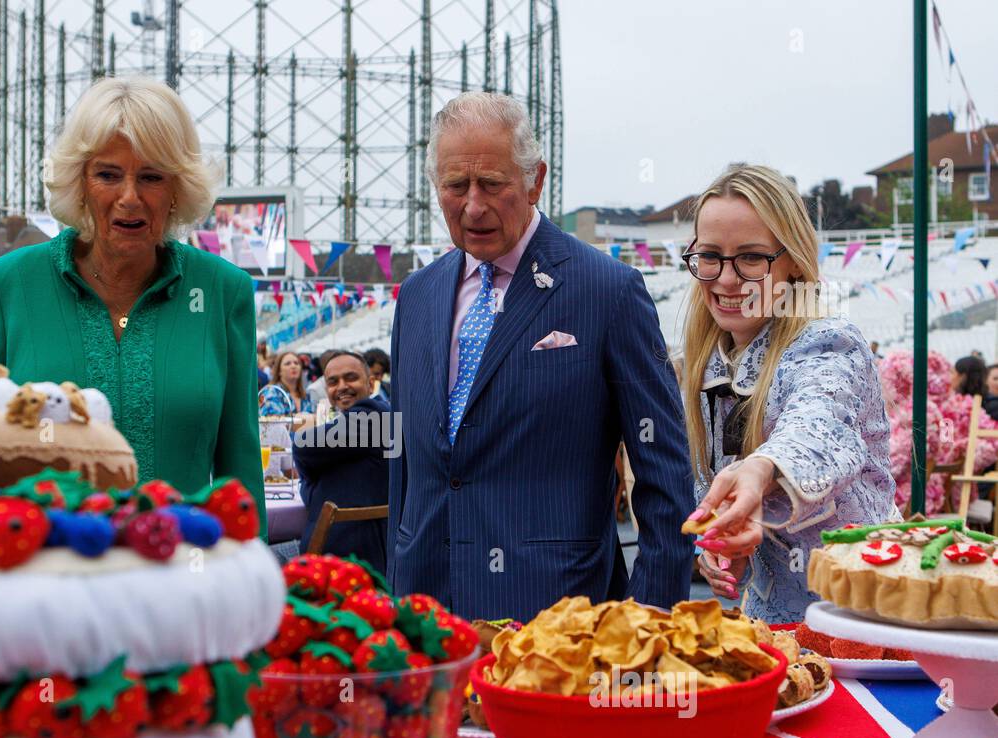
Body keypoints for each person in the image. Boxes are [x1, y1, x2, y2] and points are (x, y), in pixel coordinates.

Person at [389, 92, 694, 623]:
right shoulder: (415, 296)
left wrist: (649, 624)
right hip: (428, 623)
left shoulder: (608, 291)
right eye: (456, 186)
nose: (474, 205)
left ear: (535, 180)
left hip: (559, 622)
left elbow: (665, 477)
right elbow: (407, 466)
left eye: (492, 184)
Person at [0, 75, 265, 533]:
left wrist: (247, 588)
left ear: (176, 191)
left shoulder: (224, 291)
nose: (129, 197)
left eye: (151, 177)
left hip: (182, 582)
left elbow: (240, 473)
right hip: (39, 583)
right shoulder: (7, 284)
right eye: (108, 174)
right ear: (80, 183)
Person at [682, 164, 897, 623]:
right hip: (773, 626)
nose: (725, 279)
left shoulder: (830, 341)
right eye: (710, 256)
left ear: (794, 262)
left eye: (751, 258)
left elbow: (817, 427)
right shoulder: (709, 364)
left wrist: (762, 470)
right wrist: (723, 544)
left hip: (865, 619)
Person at [292, 351, 392, 569]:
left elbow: (301, 447)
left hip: (344, 559)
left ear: (372, 383)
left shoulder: (374, 416)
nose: (342, 387)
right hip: (367, 549)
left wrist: (310, 480)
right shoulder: (378, 418)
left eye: (351, 378)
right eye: (333, 382)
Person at [259, 350, 315, 425]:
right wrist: (309, 419)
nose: (293, 366)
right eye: (288, 364)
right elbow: (274, 422)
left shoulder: (306, 395)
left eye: (296, 363)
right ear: (279, 371)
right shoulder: (271, 392)